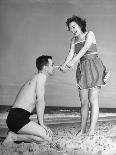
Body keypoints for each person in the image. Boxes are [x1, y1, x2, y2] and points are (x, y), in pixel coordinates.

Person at [60, 15, 109, 136]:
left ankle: (91, 130)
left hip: (94, 66)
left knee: (93, 100)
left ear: (80, 25)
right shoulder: (73, 40)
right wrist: (64, 65)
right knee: (83, 101)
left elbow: (86, 48)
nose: (72, 30)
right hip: (82, 69)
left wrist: (73, 61)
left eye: (74, 26)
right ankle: (82, 130)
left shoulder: (90, 34)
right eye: (70, 28)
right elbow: (70, 54)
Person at [3, 55, 55, 144]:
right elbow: (40, 100)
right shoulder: (41, 77)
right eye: (52, 65)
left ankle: (14, 135)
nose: (54, 67)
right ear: (45, 68)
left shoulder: (33, 79)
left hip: (14, 118)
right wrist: (42, 124)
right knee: (48, 139)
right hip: (18, 119)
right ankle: (14, 137)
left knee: (45, 137)